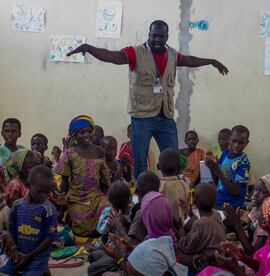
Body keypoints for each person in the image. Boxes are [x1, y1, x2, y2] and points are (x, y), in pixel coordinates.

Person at [67, 20, 229, 180]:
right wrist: (89, 48)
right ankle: (142, 196)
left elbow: (189, 60)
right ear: (149, 35)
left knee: (173, 160)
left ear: (167, 36)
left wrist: (211, 61)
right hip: (141, 118)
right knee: (140, 163)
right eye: (154, 35)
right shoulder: (136, 52)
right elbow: (113, 56)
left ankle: (172, 191)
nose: (157, 39)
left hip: (165, 117)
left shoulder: (172, 54)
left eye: (161, 36)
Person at [215, 196, 270, 276]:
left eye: (260, 212)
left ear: (264, 222)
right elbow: (263, 267)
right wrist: (242, 257)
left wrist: (236, 270)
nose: (257, 216)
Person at [54, 115, 111, 236]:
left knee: (107, 209)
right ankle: (88, 233)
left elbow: (105, 179)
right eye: (82, 132)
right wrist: (62, 206)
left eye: (89, 132)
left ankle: (99, 232)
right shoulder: (69, 154)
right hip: (76, 197)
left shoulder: (99, 151)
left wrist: (108, 197)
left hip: (96, 195)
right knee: (81, 218)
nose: (87, 135)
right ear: (74, 136)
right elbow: (64, 180)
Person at [225, 174, 270, 256]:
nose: (255, 194)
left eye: (263, 192)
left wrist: (237, 225)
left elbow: (253, 254)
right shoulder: (259, 212)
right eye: (256, 190)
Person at [7, 165, 58, 275]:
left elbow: (50, 237)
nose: (44, 196)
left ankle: (42, 270)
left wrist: (29, 257)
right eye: (40, 191)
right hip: (20, 253)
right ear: (28, 185)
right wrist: (15, 251)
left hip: (38, 257)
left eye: (47, 192)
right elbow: (12, 230)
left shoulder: (49, 209)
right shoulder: (17, 206)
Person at [177, 183, 226, 272]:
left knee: (177, 255)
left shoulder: (200, 224)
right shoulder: (216, 214)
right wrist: (191, 215)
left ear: (195, 200)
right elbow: (204, 226)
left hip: (207, 261)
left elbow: (186, 247)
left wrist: (181, 230)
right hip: (219, 255)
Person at [88, 181, 131, 276]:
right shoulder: (130, 211)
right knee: (93, 255)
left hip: (117, 252)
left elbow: (101, 231)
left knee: (92, 266)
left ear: (110, 198)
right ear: (128, 199)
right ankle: (114, 267)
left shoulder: (109, 212)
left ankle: (117, 268)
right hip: (127, 250)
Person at [205, 125, 250, 209]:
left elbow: (235, 191)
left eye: (241, 143)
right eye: (234, 141)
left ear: (247, 143)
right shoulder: (225, 153)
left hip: (232, 204)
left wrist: (217, 170)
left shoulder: (243, 163)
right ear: (229, 140)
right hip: (220, 199)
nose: (236, 145)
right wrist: (212, 168)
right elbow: (217, 181)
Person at [158, 148, 189, 227]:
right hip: (182, 226)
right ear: (179, 167)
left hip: (165, 229)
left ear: (158, 166)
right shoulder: (184, 185)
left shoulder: (160, 186)